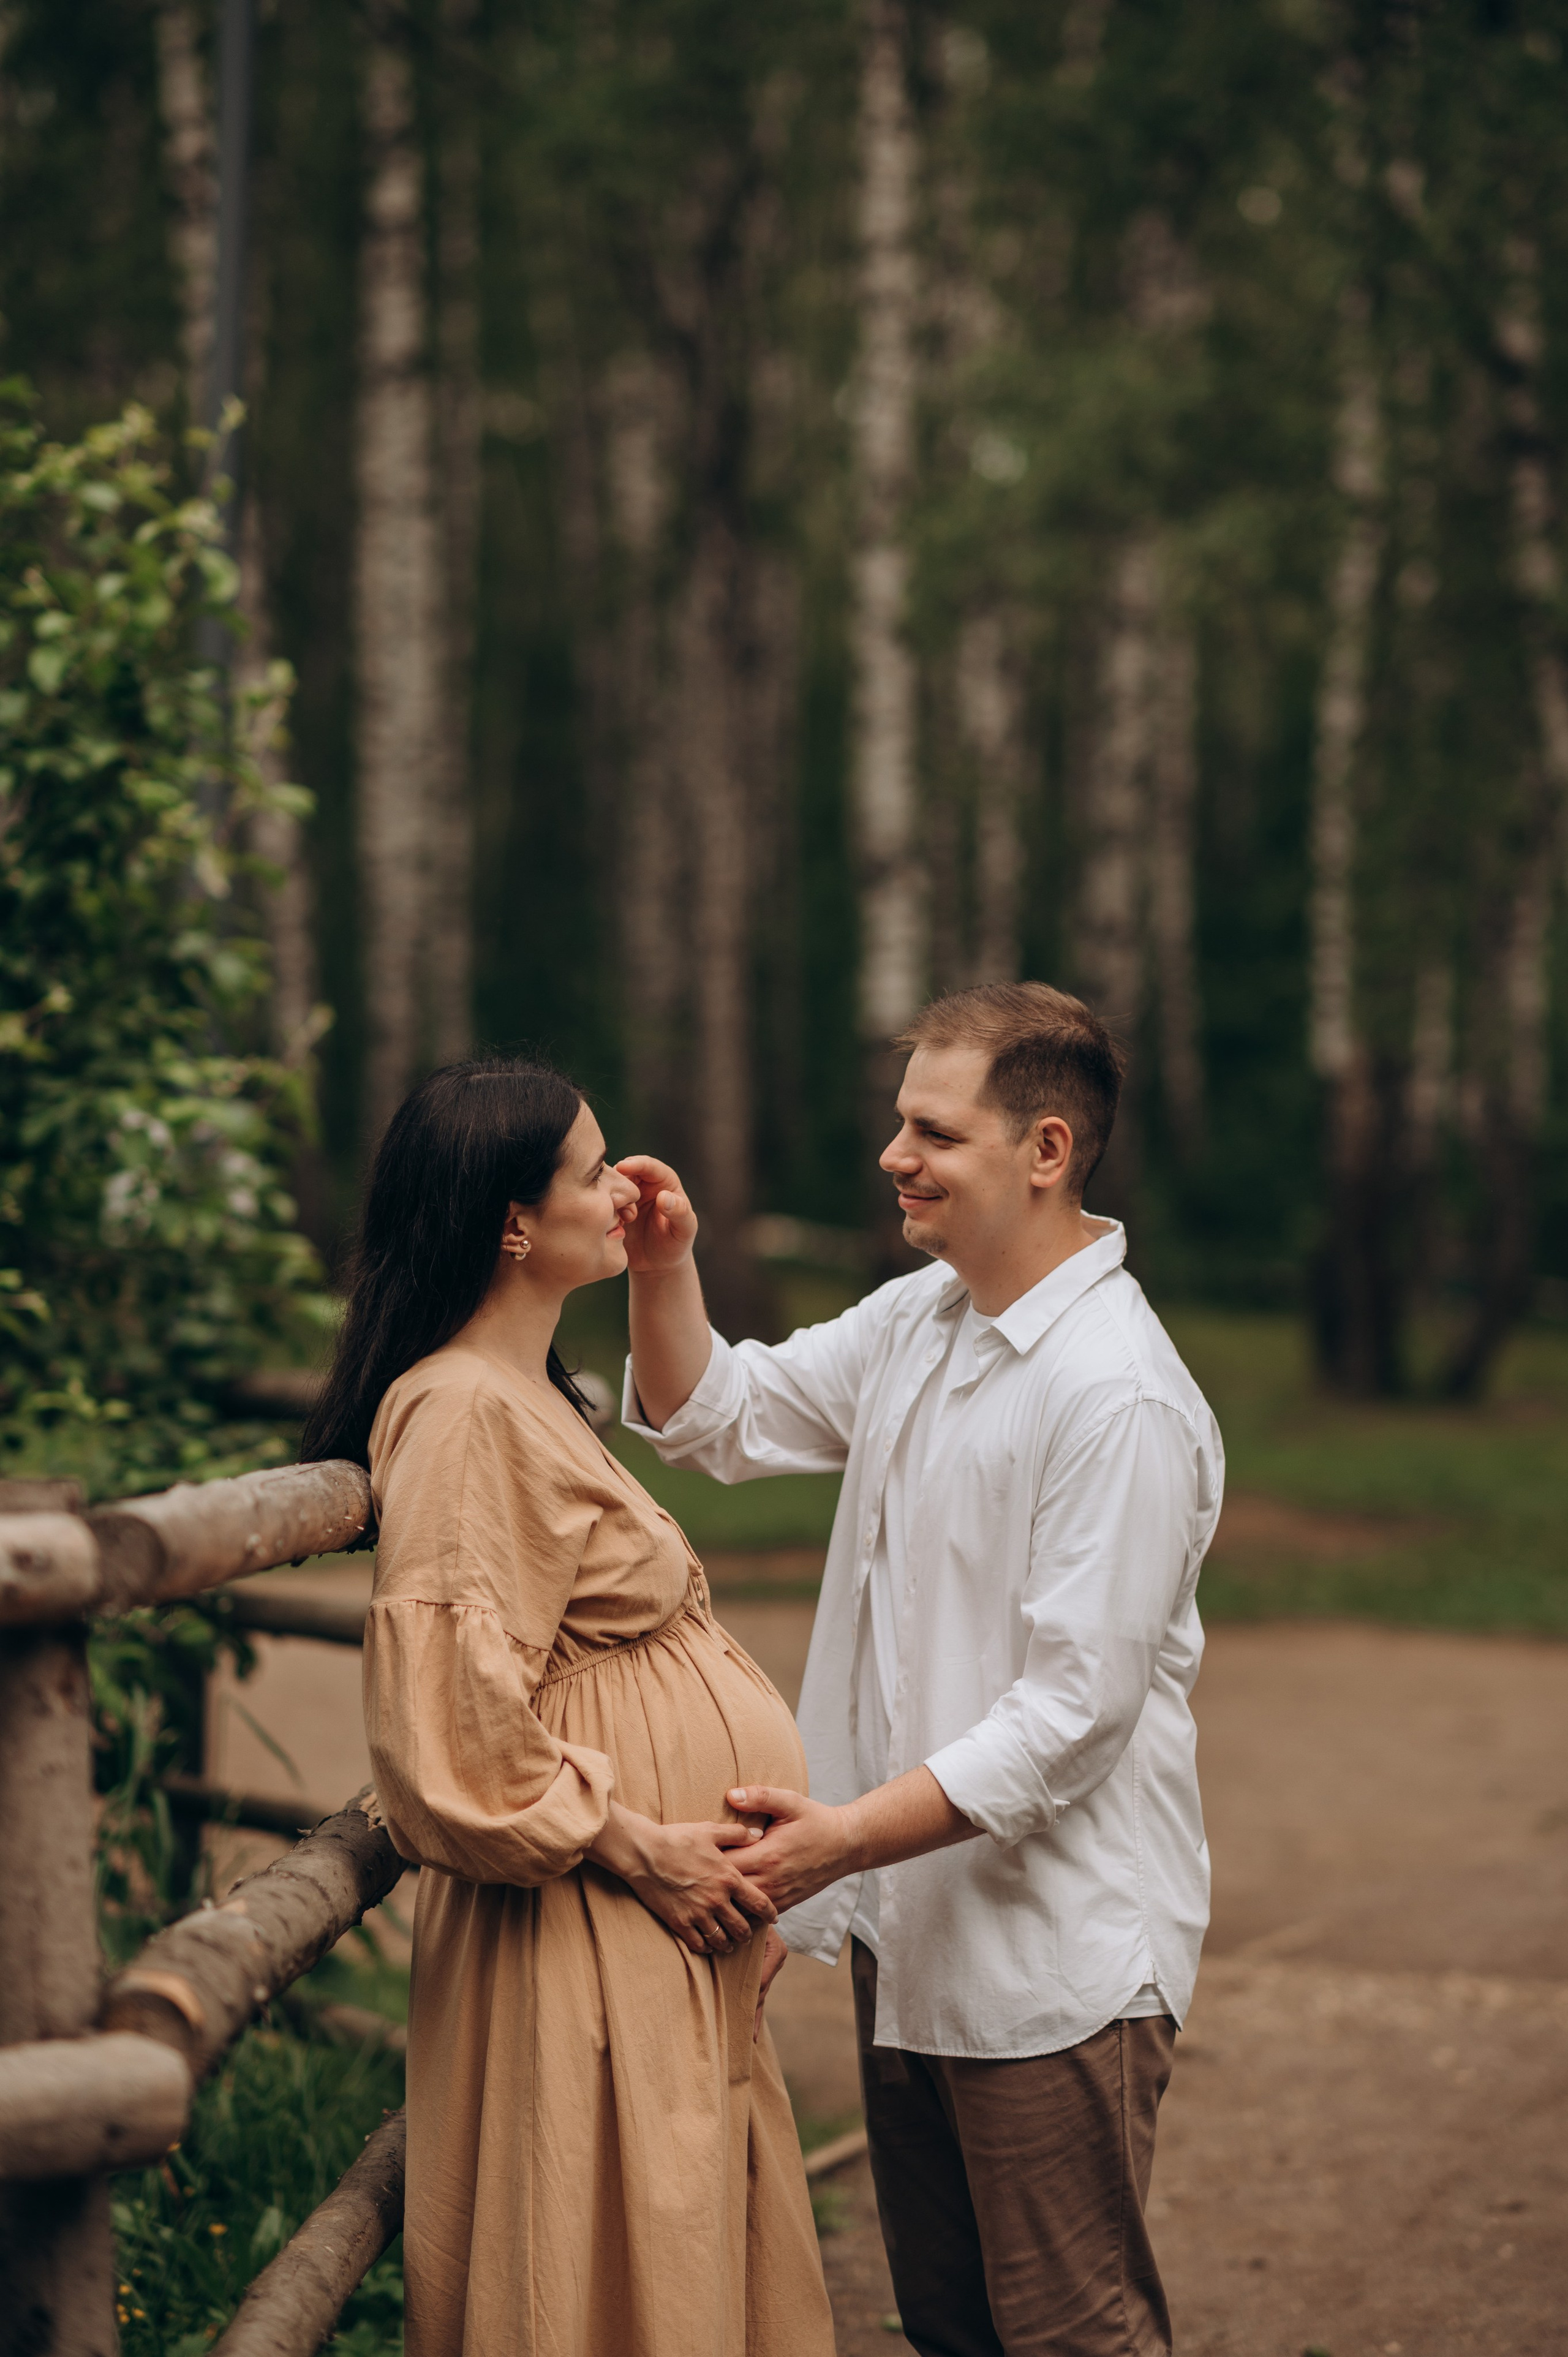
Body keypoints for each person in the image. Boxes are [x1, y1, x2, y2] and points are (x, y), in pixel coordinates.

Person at [619, 981, 1224, 2357]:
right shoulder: (920, 1323)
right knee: (953, 2334)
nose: (896, 1155)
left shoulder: (1112, 1393)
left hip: (1052, 1959)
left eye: (933, 1131)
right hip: (912, 1939)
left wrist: (837, 1837)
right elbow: (711, 1415)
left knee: (1073, 2338)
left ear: (1046, 1150)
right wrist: (664, 1264)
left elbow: (1072, 1717)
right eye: (902, 1123)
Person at [300, 1059, 835, 2357]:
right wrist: (639, 1842)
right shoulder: (460, 1411)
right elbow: (444, 1717)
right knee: (606, 2260)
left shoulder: (534, 1395)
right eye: (592, 1169)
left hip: (646, 1914)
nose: (625, 1183)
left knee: (672, 2237)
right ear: (511, 1222)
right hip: (592, 1910)